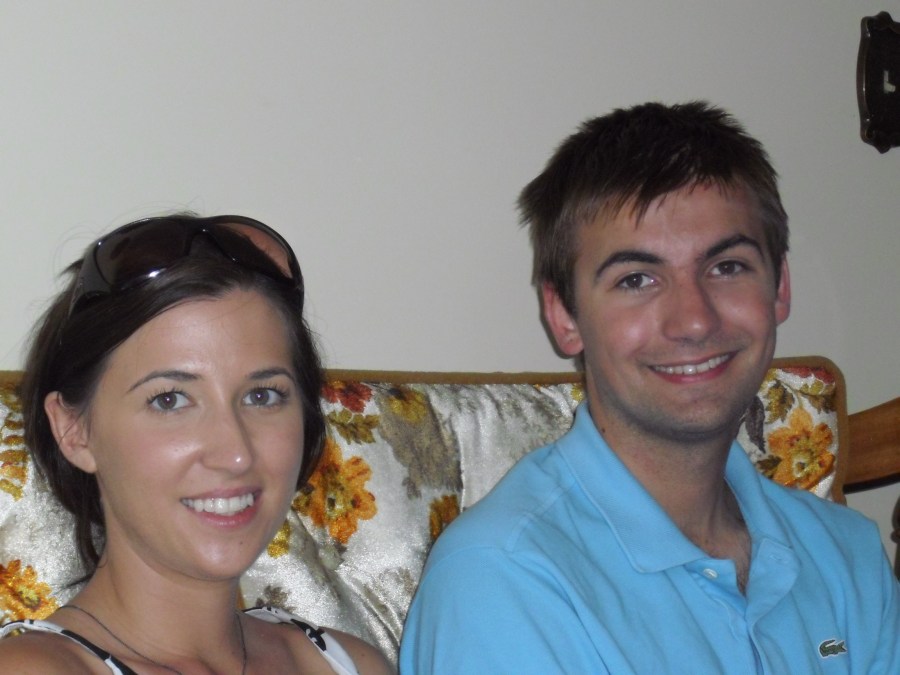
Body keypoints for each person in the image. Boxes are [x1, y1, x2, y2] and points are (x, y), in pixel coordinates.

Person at [399, 102, 900, 673]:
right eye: (637, 279)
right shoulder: (502, 581)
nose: (694, 320)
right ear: (564, 315)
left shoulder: (847, 557)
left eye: (727, 267)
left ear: (779, 286)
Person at [0, 214, 393, 674]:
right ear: (74, 430)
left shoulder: (349, 664)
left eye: (262, 396)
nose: (235, 453)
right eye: (170, 400)